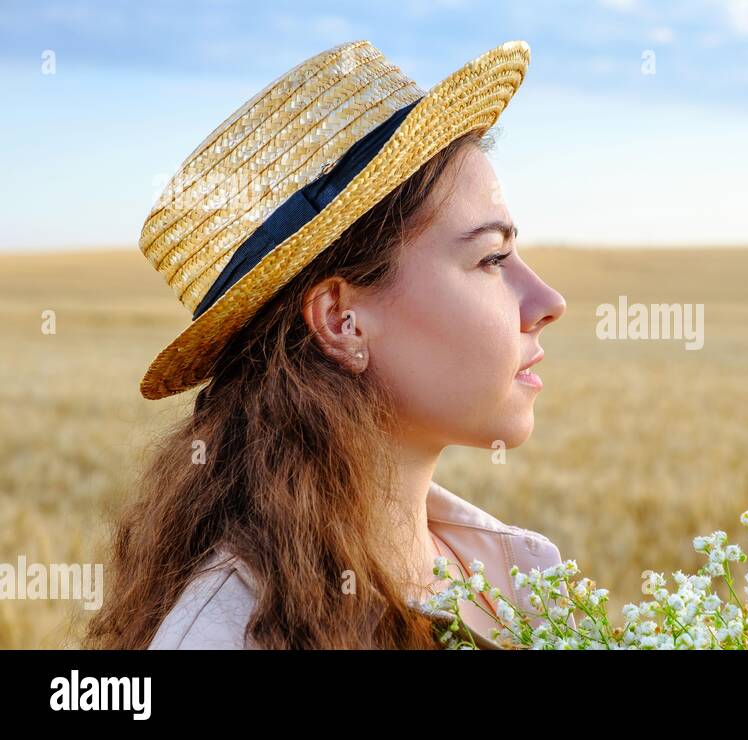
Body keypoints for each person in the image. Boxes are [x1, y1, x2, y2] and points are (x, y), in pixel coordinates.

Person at [82, 40, 570, 649]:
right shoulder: (223, 636)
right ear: (342, 320)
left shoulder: (524, 575)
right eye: (491, 258)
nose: (549, 301)